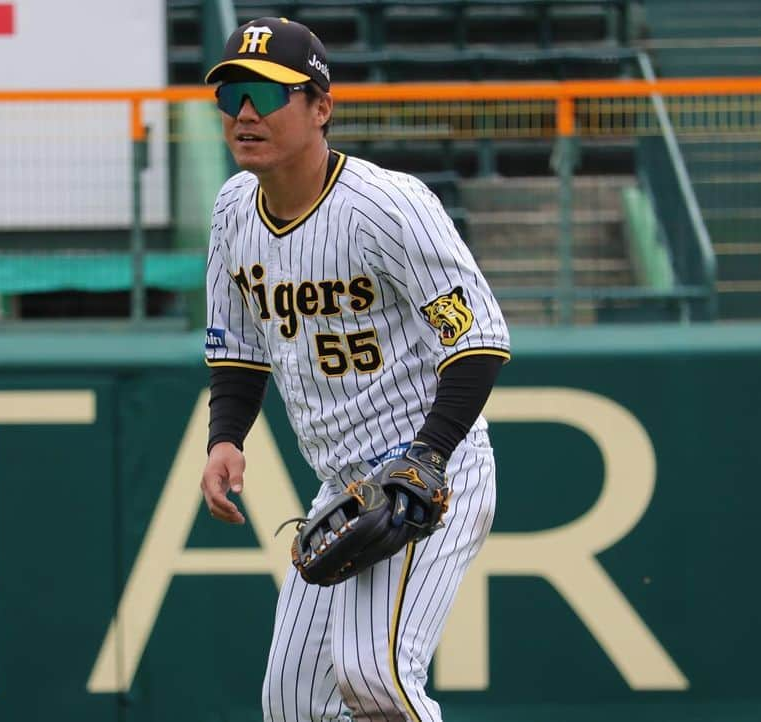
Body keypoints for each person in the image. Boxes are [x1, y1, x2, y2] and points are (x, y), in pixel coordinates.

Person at [199, 17, 510, 722]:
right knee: (292, 702)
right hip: (342, 486)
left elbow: (479, 338)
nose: (244, 112)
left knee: (375, 675)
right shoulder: (231, 213)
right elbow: (236, 349)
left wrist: (428, 456)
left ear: (321, 106)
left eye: (267, 94)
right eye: (231, 95)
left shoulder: (387, 206)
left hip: (433, 472)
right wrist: (226, 439)